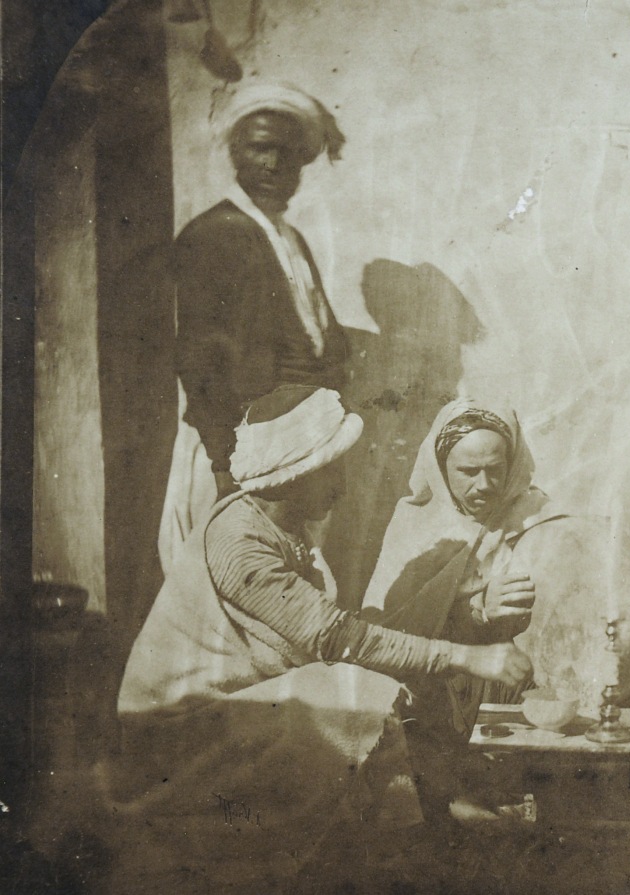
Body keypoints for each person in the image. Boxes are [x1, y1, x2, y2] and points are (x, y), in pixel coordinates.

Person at [114, 386, 531, 875]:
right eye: (332, 471)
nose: (342, 487)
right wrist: (468, 656)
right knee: (354, 689)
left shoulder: (277, 528)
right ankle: (403, 841)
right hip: (177, 739)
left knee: (360, 692)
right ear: (297, 475)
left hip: (228, 714)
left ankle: (415, 823)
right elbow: (337, 638)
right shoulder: (239, 544)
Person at [157, 80, 350, 573]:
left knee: (292, 589)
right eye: (259, 148)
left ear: (302, 162)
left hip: (294, 457)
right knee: (232, 580)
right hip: (236, 455)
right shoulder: (213, 236)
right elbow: (200, 362)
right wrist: (224, 468)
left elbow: (317, 340)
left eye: (286, 152)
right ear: (235, 153)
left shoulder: (291, 240)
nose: (271, 163)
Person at [360, 398, 561, 818]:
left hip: (518, 696)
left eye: (495, 469)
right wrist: (473, 607)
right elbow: (383, 629)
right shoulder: (414, 524)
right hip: (435, 704)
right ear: (441, 468)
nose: (484, 485)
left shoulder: (538, 516)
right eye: (468, 471)